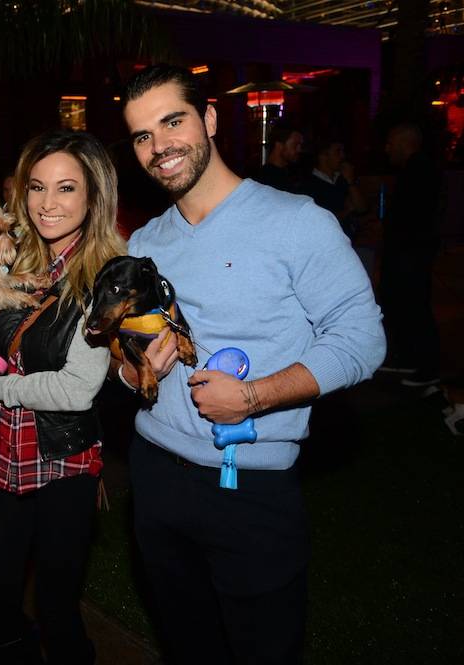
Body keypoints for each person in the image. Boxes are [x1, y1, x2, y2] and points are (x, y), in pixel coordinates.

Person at [118, 65, 385, 664]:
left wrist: (253, 397)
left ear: (210, 119)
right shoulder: (145, 244)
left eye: (173, 122)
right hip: (156, 478)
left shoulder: (296, 222)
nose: (160, 146)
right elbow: (126, 357)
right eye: (142, 136)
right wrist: (135, 373)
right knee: (186, 647)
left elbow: (361, 339)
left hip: (250, 490)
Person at [0, 129, 125, 664]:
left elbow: (76, 388)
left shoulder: (103, 277)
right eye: (37, 187)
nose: (48, 203)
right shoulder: (10, 254)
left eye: (66, 188)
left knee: (57, 607)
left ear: (93, 197)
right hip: (1, 452)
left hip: (63, 459)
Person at [377, 122, 442, 387]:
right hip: (410, 252)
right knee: (404, 305)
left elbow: (413, 217)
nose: (387, 149)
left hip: (410, 253)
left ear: (405, 143)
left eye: (391, 143)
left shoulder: (419, 171)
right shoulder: (416, 169)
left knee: (413, 306)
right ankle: (409, 358)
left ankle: (426, 367)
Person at [301, 138, 367, 240]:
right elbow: (320, 221)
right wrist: (347, 210)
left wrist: (350, 181)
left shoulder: (343, 179)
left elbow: (362, 208)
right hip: (325, 240)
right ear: (323, 156)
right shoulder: (308, 184)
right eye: (338, 152)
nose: (342, 156)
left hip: (349, 239)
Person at [254, 119, 303, 193]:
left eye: (300, 145)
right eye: (295, 144)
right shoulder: (265, 179)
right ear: (279, 145)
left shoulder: (294, 174)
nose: (299, 150)